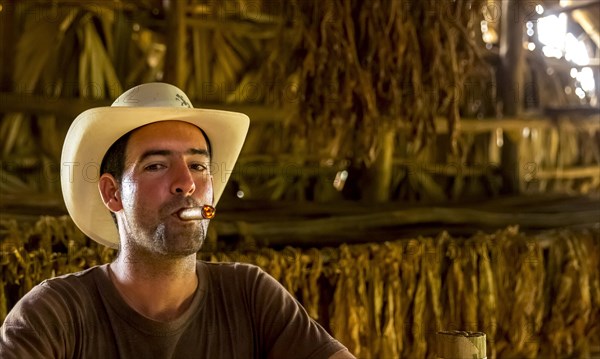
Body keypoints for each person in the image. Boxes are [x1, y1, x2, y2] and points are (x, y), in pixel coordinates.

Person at [0, 83, 355, 359]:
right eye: (156, 165)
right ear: (112, 194)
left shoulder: (250, 296)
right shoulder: (54, 314)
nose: (187, 182)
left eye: (199, 166)